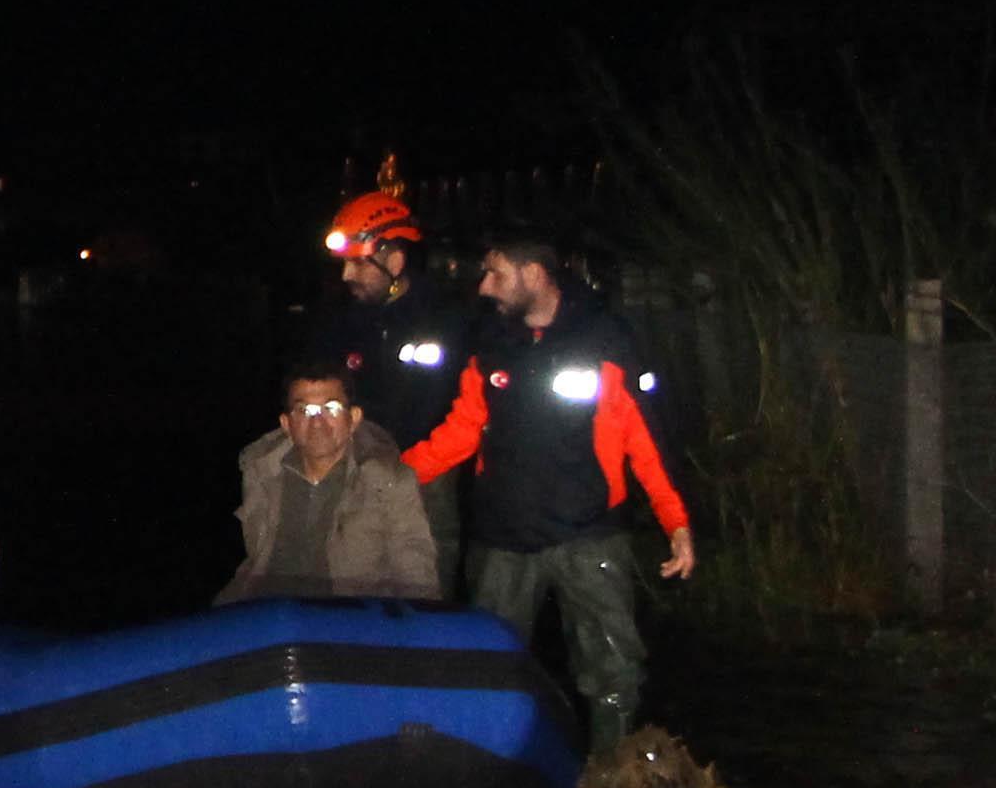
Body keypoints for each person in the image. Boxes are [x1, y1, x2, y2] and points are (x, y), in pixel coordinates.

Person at [401, 229, 696, 754]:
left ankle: (611, 770)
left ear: (533, 274)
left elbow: (642, 437)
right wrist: (393, 474)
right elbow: (462, 430)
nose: (485, 286)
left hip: (589, 534)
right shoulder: (491, 342)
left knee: (613, 670)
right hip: (502, 538)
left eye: (497, 274)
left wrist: (675, 521)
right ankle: (493, 769)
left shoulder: (603, 338)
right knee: (487, 667)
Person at [312, 184, 475, 590]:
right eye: (344, 265)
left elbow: (460, 406)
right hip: (357, 476)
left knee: (425, 589)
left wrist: (414, 466)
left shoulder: (446, 320)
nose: (347, 276)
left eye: (358, 264)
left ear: (395, 260)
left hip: (426, 481)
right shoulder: (344, 322)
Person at [217, 365, 439, 603]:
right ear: (286, 423)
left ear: (353, 418)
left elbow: (416, 575)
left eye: (331, 408)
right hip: (269, 609)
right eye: (304, 410)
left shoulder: (388, 480)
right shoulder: (262, 471)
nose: (317, 423)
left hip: (351, 614)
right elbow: (255, 562)